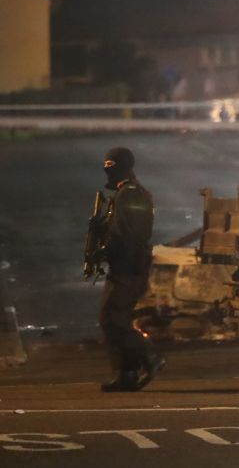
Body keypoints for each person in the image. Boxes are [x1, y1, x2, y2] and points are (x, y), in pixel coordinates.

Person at [94, 147, 165, 392]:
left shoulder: (131, 194)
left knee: (113, 319)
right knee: (112, 319)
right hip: (125, 265)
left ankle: (149, 356)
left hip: (128, 266)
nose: (107, 173)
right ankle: (127, 373)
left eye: (110, 167)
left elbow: (130, 234)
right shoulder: (127, 193)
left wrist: (108, 249)